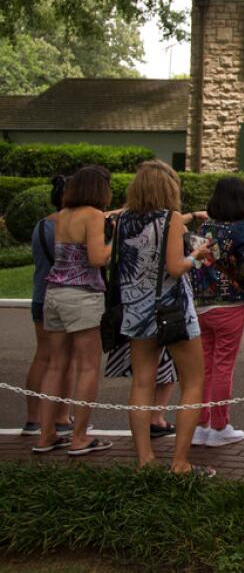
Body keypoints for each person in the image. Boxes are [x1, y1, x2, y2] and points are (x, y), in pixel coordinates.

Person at [114, 161, 213, 473]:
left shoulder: (123, 220)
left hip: (136, 310)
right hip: (172, 311)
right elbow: (174, 267)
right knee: (193, 382)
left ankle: (145, 459)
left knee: (142, 383)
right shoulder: (169, 219)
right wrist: (196, 255)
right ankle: (180, 462)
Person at [32, 166, 112, 456]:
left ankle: (46, 434)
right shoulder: (93, 215)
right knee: (88, 366)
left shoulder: (62, 215)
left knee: (56, 365)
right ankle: (79, 437)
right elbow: (96, 258)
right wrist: (114, 243)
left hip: (53, 292)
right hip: (82, 295)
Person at [190, 177, 244, 447]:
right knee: (223, 367)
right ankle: (220, 425)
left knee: (204, 367)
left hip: (201, 304)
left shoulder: (204, 227)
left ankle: (199, 424)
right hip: (229, 303)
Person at [22, 175, 71, 437]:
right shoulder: (71, 225)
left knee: (42, 356)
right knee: (67, 359)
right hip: (64, 296)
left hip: (40, 296)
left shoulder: (41, 225)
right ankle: (62, 416)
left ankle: (33, 418)